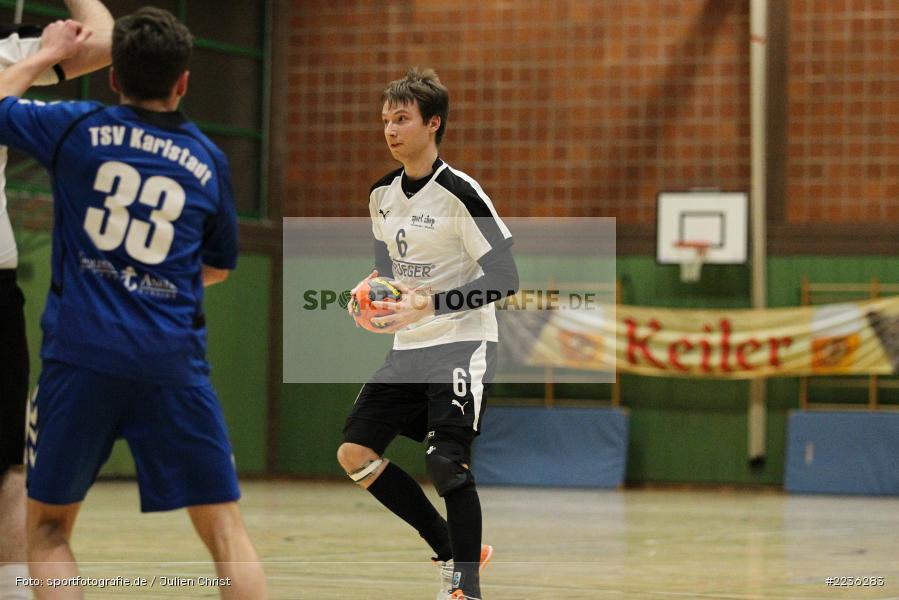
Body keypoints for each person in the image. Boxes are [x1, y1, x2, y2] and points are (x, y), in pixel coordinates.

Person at [0, 8, 266, 600]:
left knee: (46, 529)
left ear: (114, 77)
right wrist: (153, 276)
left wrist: (41, 57)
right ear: (184, 81)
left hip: (79, 356)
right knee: (225, 530)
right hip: (171, 361)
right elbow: (218, 267)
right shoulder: (209, 161)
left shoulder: (76, 127)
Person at [338, 68, 518, 600]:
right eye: (386, 121)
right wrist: (366, 292)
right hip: (409, 348)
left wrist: (430, 305)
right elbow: (386, 269)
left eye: (402, 119)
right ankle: (448, 544)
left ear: (432, 123)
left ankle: (466, 587)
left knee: (446, 463)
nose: (391, 130)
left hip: (461, 342)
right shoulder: (382, 195)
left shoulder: (461, 193)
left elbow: (506, 279)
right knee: (355, 452)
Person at [0, 3, 112, 599]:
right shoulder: (19, 63)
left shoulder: (6, 58)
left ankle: (14, 586)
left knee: (8, 457)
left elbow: (109, 41)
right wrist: (43, 55)